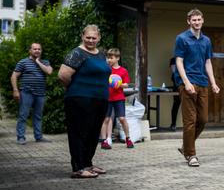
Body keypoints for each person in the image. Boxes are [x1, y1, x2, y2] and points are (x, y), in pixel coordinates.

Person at [58, 24, 111, 178]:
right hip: (79, 99)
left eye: (94, 38)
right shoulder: (77, 53)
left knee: (93, 133)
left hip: (99, 99)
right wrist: (77, 88)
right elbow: (63, 75)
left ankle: (88, 163)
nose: (91, 40)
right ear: (82, 36)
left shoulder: (100, 54)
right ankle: (78, 167)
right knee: (79, 132)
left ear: (99, 38)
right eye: (88, 37)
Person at [174, 8, 220, 167]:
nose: (197, 22)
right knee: (190, 120)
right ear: (188, 21)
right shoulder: (181, 38)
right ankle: (191, 155)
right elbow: (178, 61)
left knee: (203, 119)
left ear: (202, 20)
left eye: (199, 19)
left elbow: (208, 62)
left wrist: (213, 83)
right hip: (188, 82)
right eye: (193, 20)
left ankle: (185, 147)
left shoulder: (206, 40)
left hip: (202, 82)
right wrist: (186, 82)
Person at [11, 43, 53, 145]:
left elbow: (49, 72)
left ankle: (38, 137)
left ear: (41, 51)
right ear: (30, 50)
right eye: (35, 49)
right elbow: (14, 76)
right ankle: (20, 137)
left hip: (40, 93)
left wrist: (38, 62)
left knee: (38, 116)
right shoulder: (23, 62)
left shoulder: (45, 62)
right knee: (23, 115)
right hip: (26, 93)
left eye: (39, 49)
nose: (37, 51)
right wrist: (15, 90)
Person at [100, 48, 133, 149]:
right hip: (107, 98)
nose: (109, 60)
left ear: (117, 58)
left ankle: (128, 139)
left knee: (122, 119)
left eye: (111, 58)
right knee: (105, 119)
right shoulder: (106, 69)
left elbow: (127, 85)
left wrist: (119, 85)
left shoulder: (123, 71)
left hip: (119, 98)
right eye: (108, 57)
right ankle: (104, 141)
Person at [169, 57, 181, 131]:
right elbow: (174, 71)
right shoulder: (173, 60)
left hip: (189, 84)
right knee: (176, 104)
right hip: (177, 85)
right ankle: (173, 124)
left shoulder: (188, 59)